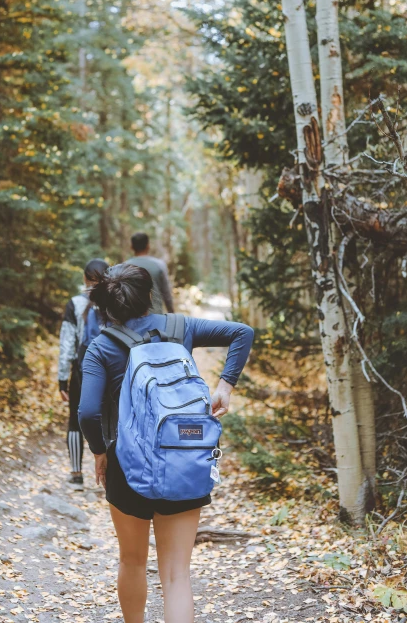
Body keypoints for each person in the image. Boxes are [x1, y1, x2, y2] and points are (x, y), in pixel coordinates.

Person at [78, 264, 254, 623]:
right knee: (176, 576)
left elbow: (87, 414)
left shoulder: (101, 347)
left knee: (132, 561)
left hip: (126, 466)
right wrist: (225, 387)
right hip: (184, 457)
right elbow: (242, 332)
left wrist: (99, 452)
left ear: (109, 304)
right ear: (149, 296)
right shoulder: (180, 327)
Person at [58, 257, 109, 488]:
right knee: (112, 419)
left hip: (83, 370)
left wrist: (62, 378)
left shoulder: (75, 303)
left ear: (85, 279)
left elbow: (67, 344)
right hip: (111, 369)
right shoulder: (115, 301)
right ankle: (112, 472)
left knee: (75, 421)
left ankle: (77, 475)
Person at [127, 232, 174, 313]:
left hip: (132, 318)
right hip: (156, 317)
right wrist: (172, 313)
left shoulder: (124, 266)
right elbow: (166, 294)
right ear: (148, 246)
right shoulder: (159, 265)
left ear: (131, 246)